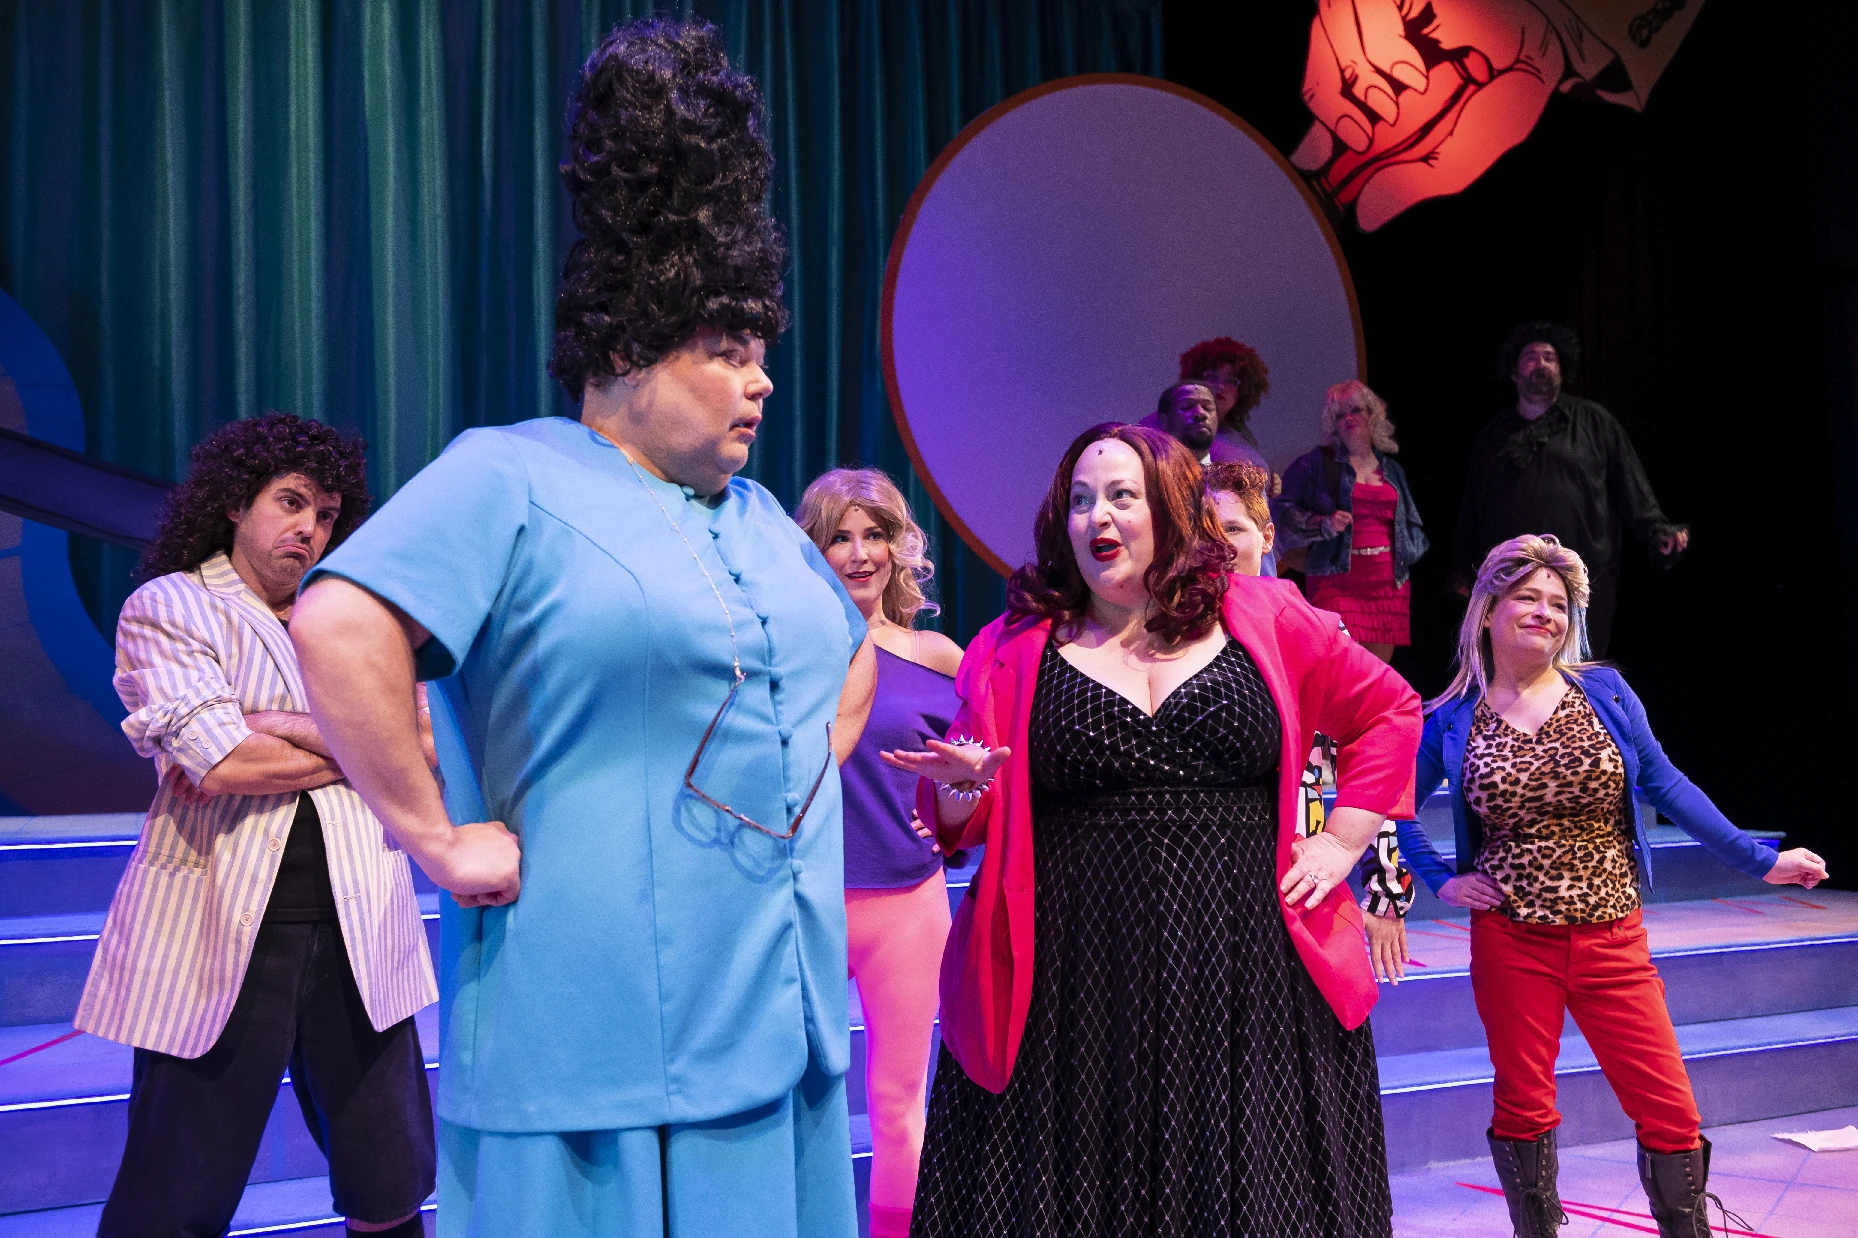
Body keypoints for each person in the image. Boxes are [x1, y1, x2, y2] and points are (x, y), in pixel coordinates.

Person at [288, 20, 872, 1238]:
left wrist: (801, 765)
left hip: (779, 1023)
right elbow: (340, 619)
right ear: (622, 352)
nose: (761, 380)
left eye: (761, 352)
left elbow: (849, 645)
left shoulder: (763, 514)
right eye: (726, 352)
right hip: (590, 1045)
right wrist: (433, 835)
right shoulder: (510, 473)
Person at [886, 424, 1421, 1237]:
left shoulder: (1265, 613)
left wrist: (1343, 838)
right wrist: (964, 787)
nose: (1096, 516)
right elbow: (967, 821)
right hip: (1075, 984)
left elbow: (1388, 710)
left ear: (1170, 510)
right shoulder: (1013, 648)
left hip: (1250, 974)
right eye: (1080, 501)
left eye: (1120, 496)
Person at [1394, 535, 1827, 1238]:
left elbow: (1667, 784)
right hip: (1512, 939)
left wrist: (1761, 862)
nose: (1546, 613)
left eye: (1559, 603)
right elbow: (1394, 809)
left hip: (1612, 936)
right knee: (1524, 1106)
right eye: (1528, 597)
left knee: (1670, 1110)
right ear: (1489, 610)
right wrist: (1441, 880)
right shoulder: (1451, 717)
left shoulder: (1604, 692)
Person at [78, 413, 436, 1238]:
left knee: (390, 1186)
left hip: (361, 928)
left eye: (327, 514)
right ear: (238, 502)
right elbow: (225, 763)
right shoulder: (171, 605)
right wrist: (361, 743)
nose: (310, 528)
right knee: (174, 1196)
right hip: (222, 932)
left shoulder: (358, 623)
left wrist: (267, 722)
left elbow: (424, 746)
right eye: (292, 502)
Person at [795, 468, 961, 1238]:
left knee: (899, 1107)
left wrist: (954, 807)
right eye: (839, 537)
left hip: (910, 909)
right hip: (804, 904)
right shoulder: (786, 652)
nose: (859, 554)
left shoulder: (937, 656)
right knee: (798, 1103)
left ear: (899, 547)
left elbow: (976, 779)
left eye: (875, 535)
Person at [1208, 460, 1415, 984]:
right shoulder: (1172, 634)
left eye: (1233, 529)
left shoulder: (1308, 629)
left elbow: (1374, 754)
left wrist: (1386, 888)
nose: (1218, 545)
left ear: (1267, 536)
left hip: (1300, 870)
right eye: (1203, 531)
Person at [1452, 322, 1688, 657]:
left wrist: (1657, 529)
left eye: (1549, 358)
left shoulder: (1595, 422)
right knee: (1512, 667)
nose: (1541, 364)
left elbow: (1631, 486)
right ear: (1514, 372)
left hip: (1583, 577)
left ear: (1563, 370)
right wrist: (1462, 565)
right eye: (1530, 357)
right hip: (1512, 578)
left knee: (1577, 669)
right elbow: (1472, 506)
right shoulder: (1494, 436)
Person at [1277, 379, 1428, 663]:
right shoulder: (1316, 465)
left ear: (1372, 414)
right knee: (1341, 671)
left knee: (1377, 676)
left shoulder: (1393, 470)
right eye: (1339, 415)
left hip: (1387, 586)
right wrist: (1322, 524)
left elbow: (1411, 526)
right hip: (1336, 583)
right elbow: (1281, 512)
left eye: (1355, 410)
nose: (1348, 419)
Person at [1151, 378, 1279, 576]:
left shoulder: (1240, 481)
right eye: (1187, 406)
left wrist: (1265, 591)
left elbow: (1263, 560)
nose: (1200, 413)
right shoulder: (1150, 483)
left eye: (1208, 407)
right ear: (1164, 418)